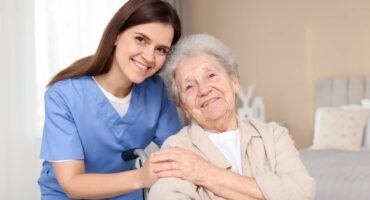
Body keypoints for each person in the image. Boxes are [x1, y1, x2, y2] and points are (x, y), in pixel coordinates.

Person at [38, 0, 182, 199]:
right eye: (141, 39)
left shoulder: (157, 92)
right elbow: (72, 183)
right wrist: (141, 177)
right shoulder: (63, 96)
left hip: (126, 194)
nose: (149, 57)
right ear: (116, 35)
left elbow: (180, 150)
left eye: (161, 50)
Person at [148, 34, 315, 200]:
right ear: (182, 105)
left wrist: (205, 173)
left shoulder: (274, 135)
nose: (204, 90)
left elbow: (302, 192)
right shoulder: (176, 150)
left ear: (234, 81)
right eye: (190, 86)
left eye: (211, 75)